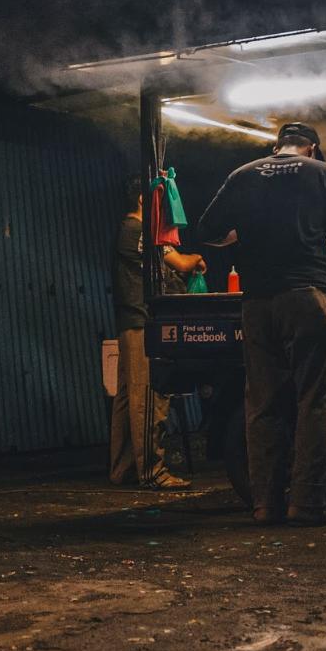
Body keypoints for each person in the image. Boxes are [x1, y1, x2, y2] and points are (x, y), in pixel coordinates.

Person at [193, 121, 326, 527]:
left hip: (258, 304)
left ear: (276, 146)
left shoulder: (242, 175)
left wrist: (238, 238)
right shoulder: (322, 174)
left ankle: (264, 504)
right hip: (309, 296)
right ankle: (307, 503)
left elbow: (206, 231)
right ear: (313, 148)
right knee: (313, 401)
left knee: (263, 404)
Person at [112, 174, 205, 490]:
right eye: (159, 197)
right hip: (141, 323)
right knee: (149, 398)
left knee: (128, 398)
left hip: (133, 322)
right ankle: (152, 470)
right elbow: (178, 262)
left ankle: (124, 468)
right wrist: (194, 260)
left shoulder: (135, 231)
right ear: (143, 199)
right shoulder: (136, 230)